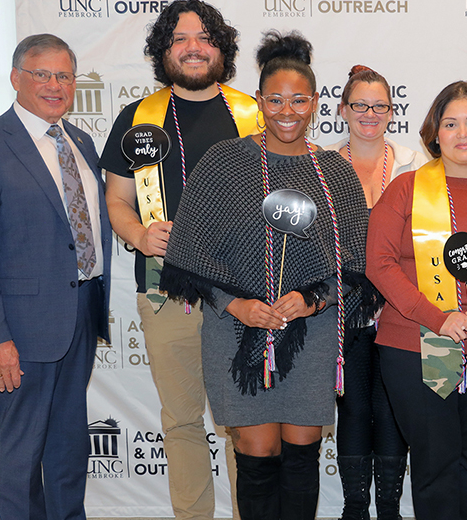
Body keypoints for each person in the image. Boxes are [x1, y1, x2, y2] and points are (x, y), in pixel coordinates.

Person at [159, 30, 373, 520]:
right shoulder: (223, 163)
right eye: (275, 99)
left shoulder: (334, 173)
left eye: (299, 100)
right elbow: (190, 253)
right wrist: (237, 304)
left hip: (312, 332)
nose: (287, 110)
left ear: (317, 102)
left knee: (300, 460)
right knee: (256, 462)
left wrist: (312, 300)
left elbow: (356, 265)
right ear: (259, 101)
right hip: (235, 331)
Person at [99, 0, 256, 520]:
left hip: (243, 296)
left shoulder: (254, 114)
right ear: (163, 51)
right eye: (180, 39)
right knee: (183, 420)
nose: (193, 48)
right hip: (166, 293)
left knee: (244, 420)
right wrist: (141, 235)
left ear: (222, 48)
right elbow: (117, 201)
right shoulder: (136, 117)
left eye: (204, 37)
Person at [0, 33, 112, 519]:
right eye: (41, 73)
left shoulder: (79, 140)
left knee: (68, 449)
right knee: (22, 455)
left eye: (64, 75)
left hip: (81, 315)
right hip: (20, 330)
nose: (54, 84)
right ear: (16, 78)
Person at [366, 81, 467, 520]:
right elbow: (379, 264)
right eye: (451, 123)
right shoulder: (406, 188)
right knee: (435, 467)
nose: (462, 134)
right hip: (413, 348)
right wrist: (437, 319)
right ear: (434, 132)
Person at [325, 65, 424, 520]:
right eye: (360, 105)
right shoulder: (322, 163)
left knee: (391, 407)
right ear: (342, 109)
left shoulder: (412, 163)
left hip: (398, 305)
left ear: (391, 111)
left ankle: (388, 509)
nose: (369, 114)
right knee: (352, 405)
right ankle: (353, 509)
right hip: (337, 306)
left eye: (379, 106)